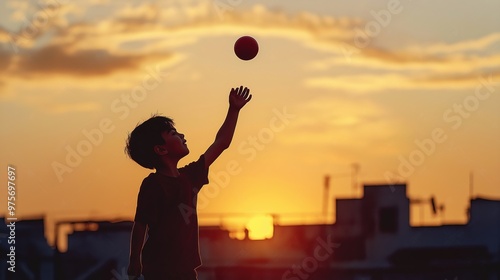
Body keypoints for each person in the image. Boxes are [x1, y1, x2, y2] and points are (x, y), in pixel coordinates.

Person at [125, 86, 252, 280]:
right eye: (173, 133)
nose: (182, 135)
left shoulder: (190, 176)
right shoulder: (153, 184)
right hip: (159, 271)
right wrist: (135, 260)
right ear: (160, 149)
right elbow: (140, 224)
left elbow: (221, 143)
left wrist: (233, 110)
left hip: (186, 270)